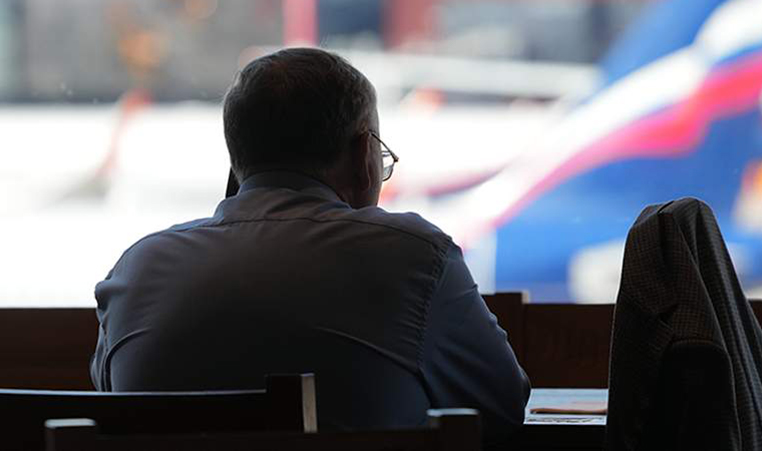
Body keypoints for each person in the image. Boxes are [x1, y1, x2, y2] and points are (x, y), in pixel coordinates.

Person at [90, 47, 530, 442]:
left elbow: (112, 410)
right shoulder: (414, 259)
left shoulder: (137, 270)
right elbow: (502, 408)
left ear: (237, 160)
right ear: (364, 154)